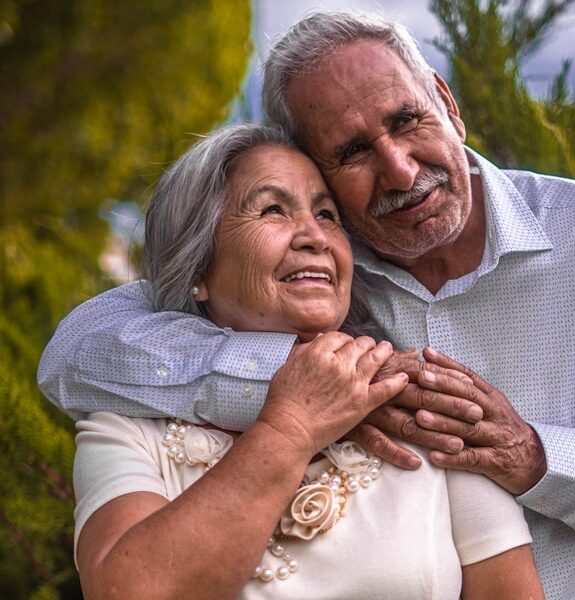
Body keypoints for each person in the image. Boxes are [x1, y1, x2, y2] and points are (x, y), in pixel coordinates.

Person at [39, 11, 575, 598]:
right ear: (314, 170)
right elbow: (76, 353)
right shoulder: (320, 278)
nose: (399, 168)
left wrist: (540, 457)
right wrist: (306, 377)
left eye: (407, 120)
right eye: (352, 153)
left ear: (448, 105)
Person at [72, 122, 543, 599]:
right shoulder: (126, 432)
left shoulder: (419, 401)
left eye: (327, 214)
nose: (314, 237)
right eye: (272, 209)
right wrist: (289, 429)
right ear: (199, 269)